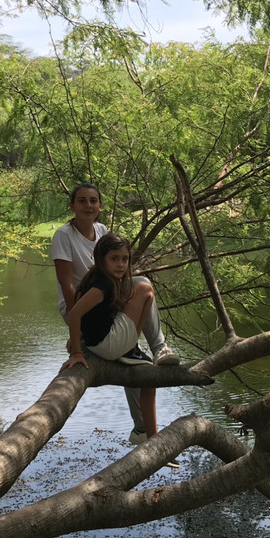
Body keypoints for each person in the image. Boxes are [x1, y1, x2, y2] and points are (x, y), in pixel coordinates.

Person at [51, 182, 179, 444]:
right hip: (80, 304)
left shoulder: (101, 230)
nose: (88, 206)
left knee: (141, 288)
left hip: (102, 300)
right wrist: (78, 336)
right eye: (82, 201)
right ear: (72, 205)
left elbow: (114, 270)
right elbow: (67, 284)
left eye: (93, 201)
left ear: (100, 206)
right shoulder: (64, 235)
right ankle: (159, 347)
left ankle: (143, 429)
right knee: (143, 286)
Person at [60, 233, 159, 439]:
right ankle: (140, 346)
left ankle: (149, 435)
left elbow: (90, 315)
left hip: (101, 343)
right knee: (146, 289)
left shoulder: (99, 278)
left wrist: (79, 337)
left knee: (149, 382)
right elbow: (75, 313)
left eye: (125, 259)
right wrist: (76, 353)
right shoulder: (102, 285)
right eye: (114, 259)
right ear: (101, 260)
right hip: (110, 345)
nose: (121, 265)